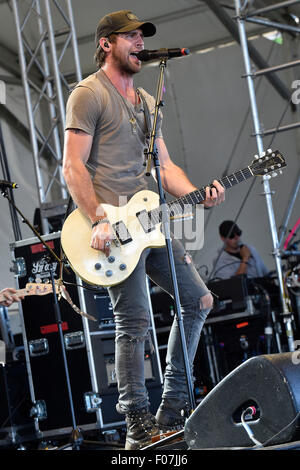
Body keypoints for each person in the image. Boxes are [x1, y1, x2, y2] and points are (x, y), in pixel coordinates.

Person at [62, 9, 225, 450]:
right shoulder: (89, 94)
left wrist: (198, 191)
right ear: (106, 44)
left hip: (149, 223)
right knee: (133, 319)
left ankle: (171, 408)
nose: (139, 43)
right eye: (130, 37)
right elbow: (72, 165)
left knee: (200, 300)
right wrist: (97, 218)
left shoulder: (149, 103)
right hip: (108, 229)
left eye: (141, 37)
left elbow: (165, 167)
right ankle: (136, 420)